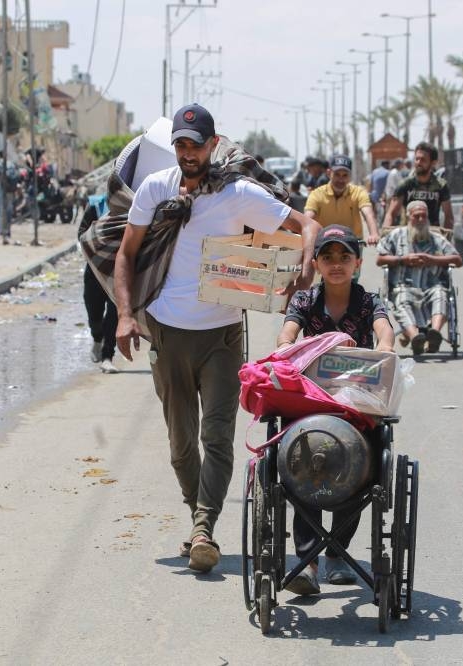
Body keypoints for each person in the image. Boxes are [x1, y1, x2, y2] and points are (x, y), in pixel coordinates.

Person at [113, 103, 320, 573]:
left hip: (222, 334)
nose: (186, 153)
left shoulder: (238, 194)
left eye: (195, 145)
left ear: (212, 144)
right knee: (181, 445)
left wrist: (304, 264)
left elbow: (304, 224)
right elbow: (126, 255)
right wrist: (125, 315)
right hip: (166, 332)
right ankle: (198, 519)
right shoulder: (155, 189)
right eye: (180, 145)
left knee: (219, 436)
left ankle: (204, 528)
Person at [276, 224, 395, 595]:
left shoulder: (370, 301)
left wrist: (386, 350)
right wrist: (287, 347)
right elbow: (286, 335)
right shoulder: (303, 301)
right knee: (303, 464)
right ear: (317, 263)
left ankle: (337, 555)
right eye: (328, 257)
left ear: (358, 262)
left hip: (355, 406)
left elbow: (385, 334)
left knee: (358, 469)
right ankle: (308, 563)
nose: (336, 264)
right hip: (310, 404)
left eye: (345, 256)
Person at [377, 200, 463, 355]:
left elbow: (457, 260)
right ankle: (415, 337)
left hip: (432, 285)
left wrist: (432, 259)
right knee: (402, 299)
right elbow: (380, 259)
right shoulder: (396, 235)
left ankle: (434, 334)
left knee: (441, 294)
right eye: (417, 216)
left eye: (424, 216)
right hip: (404, 285)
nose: (421, 220)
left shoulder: (436, 238)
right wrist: (403, 259)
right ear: (409, 216)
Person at [78, 191, 121, 374]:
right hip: (94, 269)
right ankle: (97, 338)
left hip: (117, 272)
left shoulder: (132, 208)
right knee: (94, 313)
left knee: (113, 315)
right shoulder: (96, 206)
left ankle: (107, 356)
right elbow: (81, 234)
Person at [304, 154, 379, 245]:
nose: (341, 180)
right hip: (325, 242)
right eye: (337, 174)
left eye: (345, 175)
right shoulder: (316, 194)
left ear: (350, 176)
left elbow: (368, 214)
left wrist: (374, 234)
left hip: (352, 242)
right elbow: (307, 218)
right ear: (329, 173)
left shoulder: (359, 192)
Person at [384, 142, 455, 229]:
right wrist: (385, 236)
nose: (418, 162)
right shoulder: (405, 185)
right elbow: (391, 214)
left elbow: (449, 216)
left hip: (432, 237)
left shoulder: (440, 185)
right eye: (417, 159)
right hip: (408, 236)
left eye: (423, 160)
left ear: (433, 163)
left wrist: (445, 238)